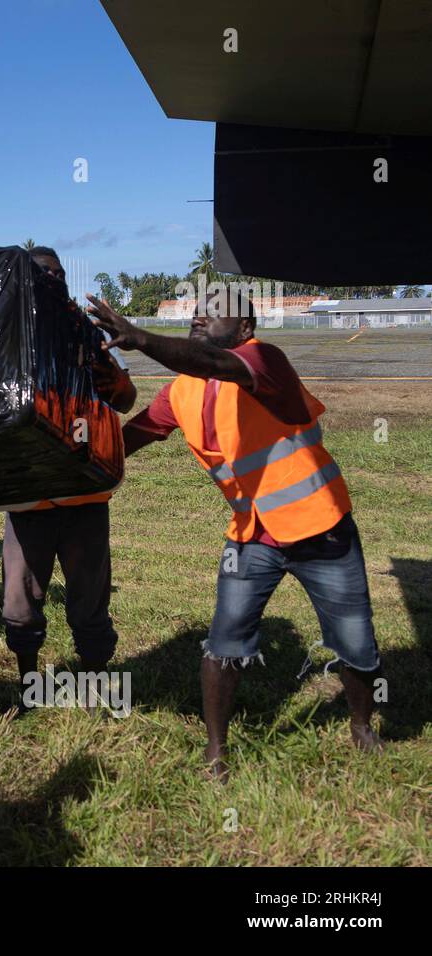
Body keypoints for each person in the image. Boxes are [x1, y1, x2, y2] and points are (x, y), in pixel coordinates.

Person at [87, 284, 384, 780]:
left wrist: (140, 338)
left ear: (245, 328)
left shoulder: (264, 360)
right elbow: (130, 439)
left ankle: (361, 726)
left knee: (355, 643)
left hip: (322, 530)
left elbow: (222, 367)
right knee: (224, 642)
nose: (199, 319)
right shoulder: (180, 392)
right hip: (251, 538)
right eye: (196, 314)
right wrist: (67, 460)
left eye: (215, 314)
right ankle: (216, 753)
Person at [3, 247, 137, 683]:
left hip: (85, 491)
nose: (55, 280)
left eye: (60, 274)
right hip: (29, 494)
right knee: (20, 604)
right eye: (45, 274)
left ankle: (95, 679)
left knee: (89, 599)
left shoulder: (84, 333)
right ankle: (28, 682)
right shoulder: (7, 334)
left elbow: (125, 399)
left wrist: (119, 383)